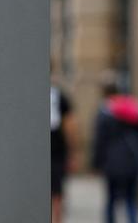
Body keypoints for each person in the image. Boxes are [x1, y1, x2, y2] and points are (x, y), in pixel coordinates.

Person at [92, 82, 138, 223]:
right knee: (131, 199)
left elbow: (100, 140)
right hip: (132, 161)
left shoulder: (104, 112)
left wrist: (96, 163)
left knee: (111, 200)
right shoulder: (133, 110)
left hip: (112, 162)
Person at [50, 80, 79, 223]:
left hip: (55, 153)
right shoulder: (59, 96)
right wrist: (72, 153)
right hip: (56, 152)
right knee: (57, 195)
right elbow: (70, 126)